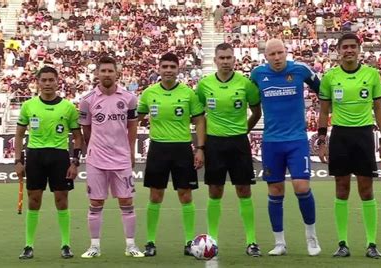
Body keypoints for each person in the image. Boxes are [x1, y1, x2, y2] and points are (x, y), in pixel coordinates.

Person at [317, 33, 381, 259]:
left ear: (359, 49)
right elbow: (324, 111)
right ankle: (342, 243)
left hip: (364, 135)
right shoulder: (330, 77)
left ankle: (371, 244)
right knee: (341, 189)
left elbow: (378, 108)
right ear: (338, 50)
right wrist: (322, 141)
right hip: (340, 136)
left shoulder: (372, 74)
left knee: (366, 190)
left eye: (353, 46)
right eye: (345, 47)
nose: (349, 50)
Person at [250, 39, 321, 256]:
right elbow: (248, 100)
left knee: (301, 187)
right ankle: (279, 243)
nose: (277, 57)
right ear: (266, 56)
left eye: (280, 53)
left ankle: (312, 238)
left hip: (297, 140)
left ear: (286, 52)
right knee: (275, 190)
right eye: (272, 54)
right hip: (271, 142)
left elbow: (323, 91)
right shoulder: (257, 75)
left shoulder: (300, 70)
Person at [196, 43, 262, 256]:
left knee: (244, 190)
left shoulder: (246, 84)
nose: (225, 61)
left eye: (229, 57)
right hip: (214, 144)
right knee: (215, 191)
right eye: (221, 57)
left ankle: (251, 241)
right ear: (215, 60)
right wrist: (202, 146)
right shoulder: (204, 85)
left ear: (235, 60)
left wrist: (243, 131)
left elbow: (256, 112)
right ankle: (211, 241)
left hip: (239, 144)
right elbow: (197, 116)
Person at [137, 52, 206, 257]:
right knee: (155, 195)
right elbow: (136, 117)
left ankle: (189, 242)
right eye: (164, 66)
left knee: (185, 195)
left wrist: (200, 148)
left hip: (182, 149)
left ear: (178, 69)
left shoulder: (188, 93)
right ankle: (150, 242)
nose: (168, 70)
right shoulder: (149, 93)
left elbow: (200, 120)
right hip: (158, 149)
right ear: (159, 68)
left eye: (172, 67)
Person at [78, 56, 144, 258]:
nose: (107, 74)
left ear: (117, 73)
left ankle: (131, 245)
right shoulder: (87, 100)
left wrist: (130, 151)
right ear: (97, 73)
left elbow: (132, 127)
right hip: (96, 160)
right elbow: (86, 130)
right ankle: (94, 246)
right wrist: (93, 149)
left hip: (121, 158)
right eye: (103, 71)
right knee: (96, 203)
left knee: (127, 201)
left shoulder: (129, 98)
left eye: (110, 71)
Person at [15, 66, 83, 259]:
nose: (47, 83)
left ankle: (66, 245)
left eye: (50, 80)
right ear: (37, 82)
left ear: (57, 81)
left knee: (61, 201)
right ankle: (28, 245)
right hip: (35, 156)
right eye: (43, 80)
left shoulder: (68, 107)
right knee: (34, 201)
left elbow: (78, 137)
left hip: (59, 158)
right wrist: (18, 161)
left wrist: (75, 162)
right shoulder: (28, 105)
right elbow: (19, 135)